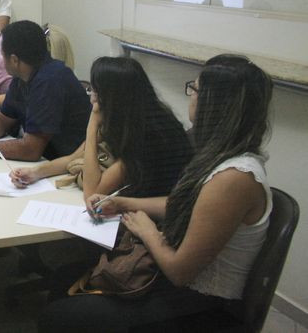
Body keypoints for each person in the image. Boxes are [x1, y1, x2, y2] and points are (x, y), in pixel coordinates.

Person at [38, 55, 274, 332]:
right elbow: (185, 205)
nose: (191, 96)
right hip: (178, 282)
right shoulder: (217, 156)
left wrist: (147, 230)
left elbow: (180, 271)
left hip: (201, 302)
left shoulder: (234, 177)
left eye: (195, 89)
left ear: (215, 103)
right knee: (63, 279)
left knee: (58, 316)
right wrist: (123, 202)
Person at [10, 56, 193, 201]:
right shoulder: (125, 118)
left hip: (147, 221)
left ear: (113, 97)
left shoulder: (146, 134)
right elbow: (74, 158)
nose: (92, 99)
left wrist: (91, 128)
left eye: (95, 92)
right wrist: (35, 173)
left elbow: (92, 193)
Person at [0, 20, 90, 161]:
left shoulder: (50, 80)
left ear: (14, 60)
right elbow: (1, 121)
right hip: (48, 162)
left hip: (68, 167)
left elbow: (31, 150)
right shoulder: (23, 76)